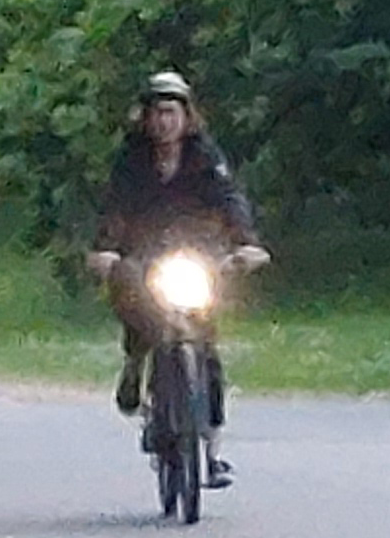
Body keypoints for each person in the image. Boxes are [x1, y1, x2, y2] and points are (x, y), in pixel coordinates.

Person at [83, 73, 269, 476]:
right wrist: (107, 250)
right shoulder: (132, 158)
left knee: (207, 346)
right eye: (157, 113)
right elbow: (115, 206)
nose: (164, 121)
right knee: (130, 289)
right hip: (145, 252)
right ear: (145, 119)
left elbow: (229, 198)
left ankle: (212, 446)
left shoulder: (204, 155)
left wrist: (245, 244)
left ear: (186, 116)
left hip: (198, 251)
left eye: (172, 112)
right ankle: (136, 360)